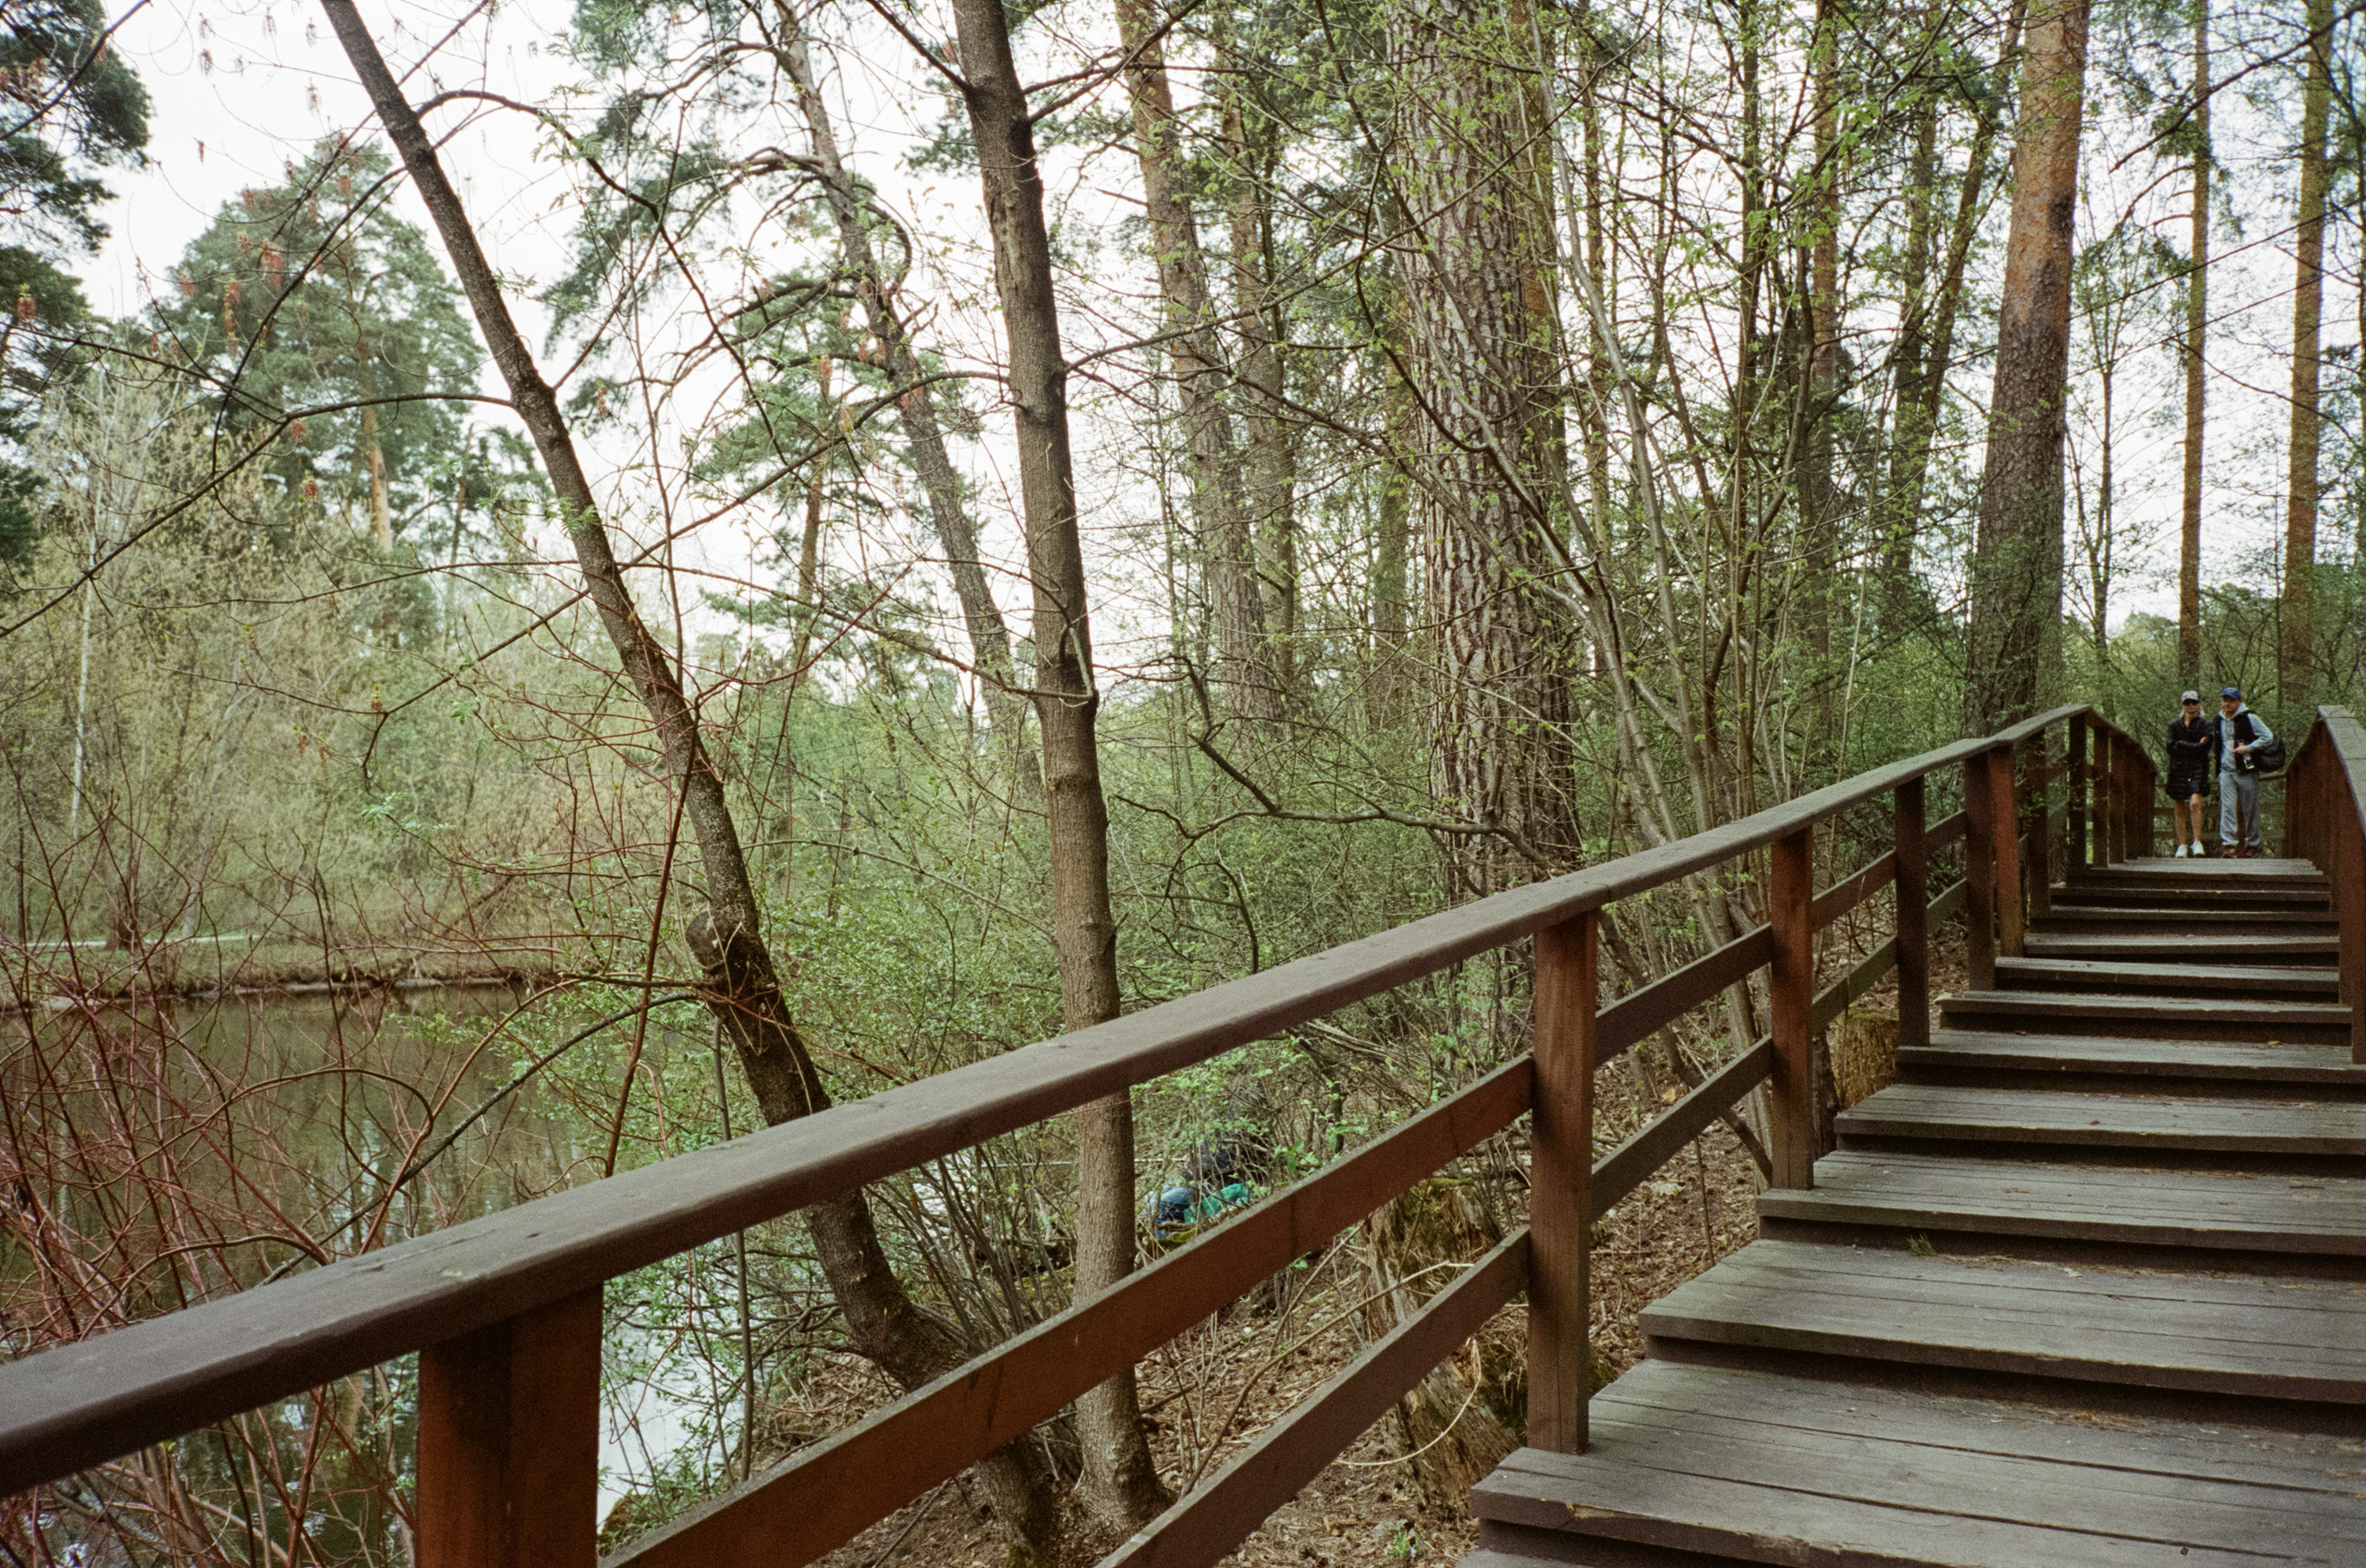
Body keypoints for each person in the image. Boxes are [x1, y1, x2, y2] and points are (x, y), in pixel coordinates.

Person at [2216, 687, 2274, 857]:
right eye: (2225, 700)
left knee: (2250, 808)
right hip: (2226, 771)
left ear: (2239, 701)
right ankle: (2229, 845)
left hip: (2246, 770)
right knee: (2227, 808)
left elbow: (2268, 737)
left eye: (2231, 700)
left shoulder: (2249, 717)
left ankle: (2253, 843)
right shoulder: (2218, 720)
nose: (2228, 703)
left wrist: (2248, 748)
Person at [2164, 691, 2215, 857]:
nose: (2191, 706)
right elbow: (2170, 746)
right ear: (2182, 705)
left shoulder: (2205, 725)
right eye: (2187, 703)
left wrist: (2182, 745)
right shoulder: (2174, 725)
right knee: (2179, 806)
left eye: (2193, 702)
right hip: (2178, 768)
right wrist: (2194, 746)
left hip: (2198, 767)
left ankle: (2197, 842)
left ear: (2199, 704)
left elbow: (2205, 747)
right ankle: (2182, 845)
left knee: (2195, 803)